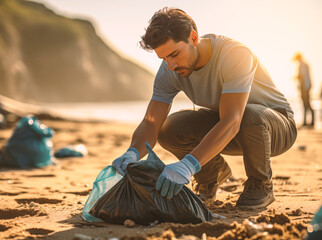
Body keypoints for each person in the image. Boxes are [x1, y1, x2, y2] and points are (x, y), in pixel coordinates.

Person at [112, 7, 297, 209]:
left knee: (248, 115)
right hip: (231, 126)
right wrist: (131, 153)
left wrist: (188, 165)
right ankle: (211, 177)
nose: (171, 65)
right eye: (164, 58)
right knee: (169, 128)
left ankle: (261, 184)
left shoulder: (234, 54)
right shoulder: (169, 70)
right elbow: (151, 121)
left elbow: (233, 120)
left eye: (175, 54)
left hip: (275, 127)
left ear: (193, 37)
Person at [293, 53, 314, 127]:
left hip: (305, 87)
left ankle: (310, 121)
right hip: (306, 86)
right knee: (306, 104)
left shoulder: (302, 65)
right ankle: (307, 121)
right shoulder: (305, 64)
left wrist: (296, 78)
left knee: (306, 104)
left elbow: (302, 76)